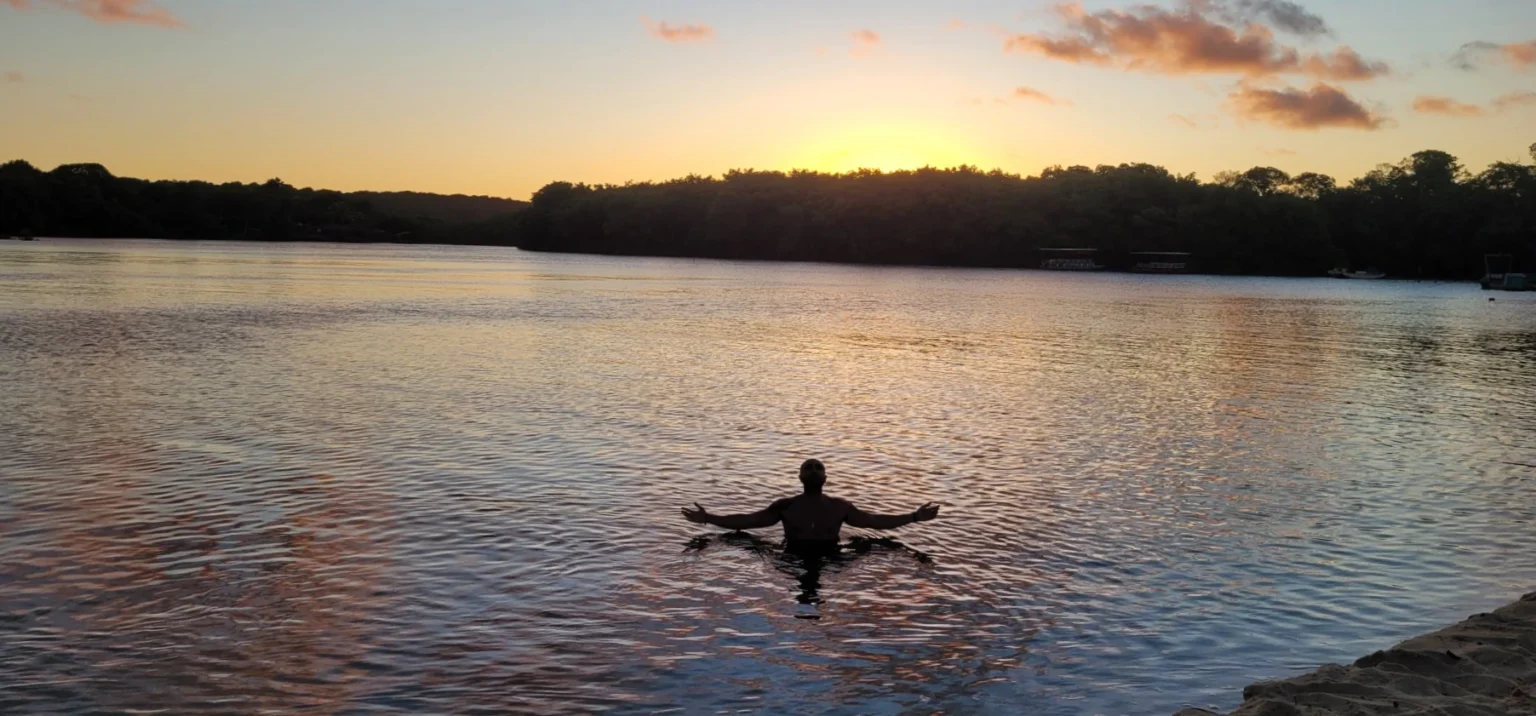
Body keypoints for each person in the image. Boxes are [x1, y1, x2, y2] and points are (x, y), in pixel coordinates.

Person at [681, 459, 940, 552]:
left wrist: (914, 517)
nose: (813, 469)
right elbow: (748, 521)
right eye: (809, 466)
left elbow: (874, 521)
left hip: (830, 554)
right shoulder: (785, 506)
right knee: (743, 541)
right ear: (800, 477)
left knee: (866, 548)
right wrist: (708, 518)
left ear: (825, 479)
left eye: (818, 467)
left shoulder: (840, 506)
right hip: (792, 554)